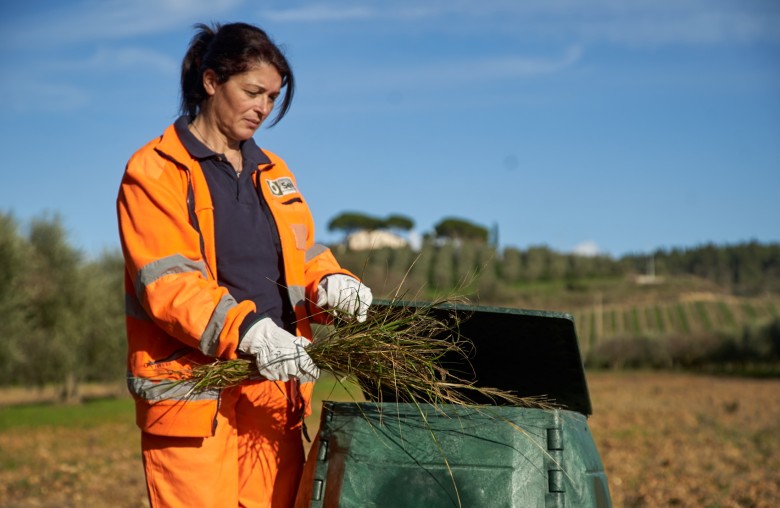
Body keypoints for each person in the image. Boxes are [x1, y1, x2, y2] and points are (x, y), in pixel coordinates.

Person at [116, 22, 372, 508]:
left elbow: (304, 256)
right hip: (193, 397)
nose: (263, 108)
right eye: (252, 92)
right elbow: (170, 285)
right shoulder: (154, 171)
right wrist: (250, 332)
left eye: (273, 97)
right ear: (211, 82)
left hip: (276, 392)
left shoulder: (274, 172)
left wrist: (334, 282)